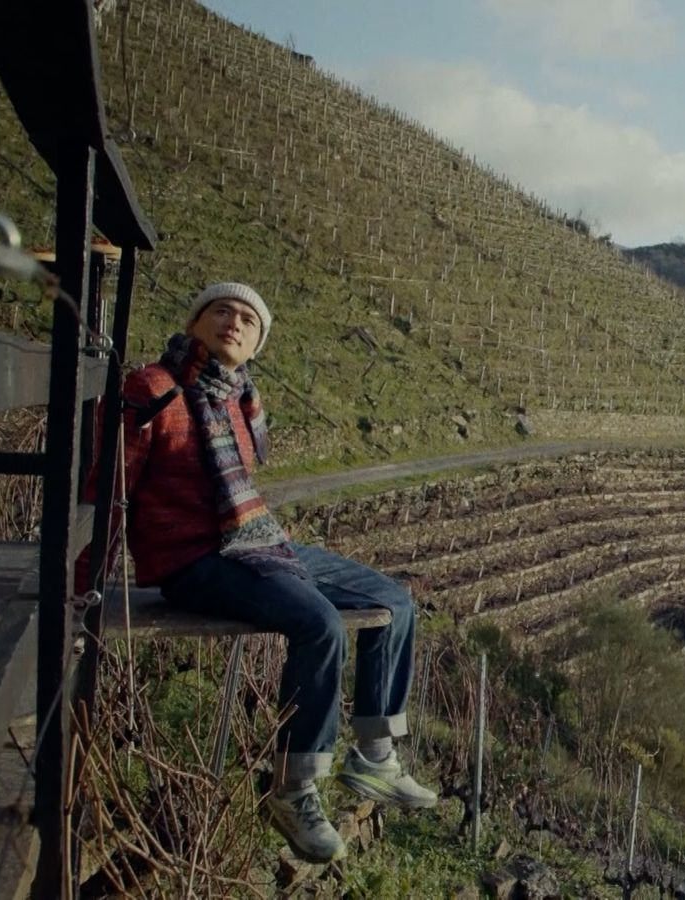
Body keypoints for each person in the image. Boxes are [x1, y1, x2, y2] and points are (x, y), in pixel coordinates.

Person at [97, 282, 436, 863]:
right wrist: (87, 581)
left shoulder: (240, 399)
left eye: (248, 320)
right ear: (196, 321)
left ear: (256, 347)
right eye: (221, 310)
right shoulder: (153, 388)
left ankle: (374, 757)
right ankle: (293, 787)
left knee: (395, 602)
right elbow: (106, 487)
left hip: (255, 543)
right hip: (190, 561)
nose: (233, 322)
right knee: (319, 624)